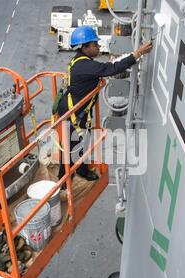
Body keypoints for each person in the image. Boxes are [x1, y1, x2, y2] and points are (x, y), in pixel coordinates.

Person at [57, 25, 153, 183]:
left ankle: (80, 170)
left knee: (80, 142)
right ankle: (62, 182)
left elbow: (104, 68)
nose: (98, 46)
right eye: (95, 44)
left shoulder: (80, 60)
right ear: (85, 47)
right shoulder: (85, 65)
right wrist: (138, 54)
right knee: (72, 145)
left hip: (75, 108)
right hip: (75, 112)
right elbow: (112, 69)